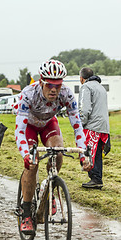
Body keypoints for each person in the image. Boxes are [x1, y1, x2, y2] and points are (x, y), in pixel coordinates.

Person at [15, 60, 90, 235]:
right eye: (50, 85)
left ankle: (49, 187)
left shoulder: (66, 94)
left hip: (49, 124)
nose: (54, 90)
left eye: (58, 85)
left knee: (59, 151)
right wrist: (26, 154)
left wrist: (83, 153)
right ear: (41, 82)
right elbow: (19, 130)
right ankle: (26, 213)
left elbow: (77, 126)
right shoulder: (28, 94)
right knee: (32, 165)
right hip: (30, 127)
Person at [78, 67, 110, 189]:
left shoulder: (86, 87)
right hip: (103, 126)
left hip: (92, 125)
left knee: (89, 152)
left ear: (82, 78)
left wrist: (80, 124)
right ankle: (98, 179)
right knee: (97, 154)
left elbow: (85, 108)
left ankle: (95, 178)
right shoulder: (100, 87)